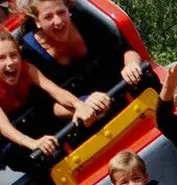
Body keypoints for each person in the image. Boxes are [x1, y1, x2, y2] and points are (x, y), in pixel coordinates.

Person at [0, 27, 105, 170]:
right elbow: (4, 127)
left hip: (33, 119)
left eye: (13, 55)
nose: (10, 62)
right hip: (11, 141)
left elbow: (55, 90)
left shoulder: (28, 69)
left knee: (83, 107)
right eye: (1, 58)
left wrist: (80, 105)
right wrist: (32, 143)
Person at [18, 0, 143, 96]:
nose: (58, 21)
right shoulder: (31, 53)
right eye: (48, 17)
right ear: (37, 21)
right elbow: (49, 107)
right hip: (86, 117)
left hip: (122, 89)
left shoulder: (85, 20)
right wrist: (82, 105)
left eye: (61, 12)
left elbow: (125, 49)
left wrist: (131, 65)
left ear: (68, 9)